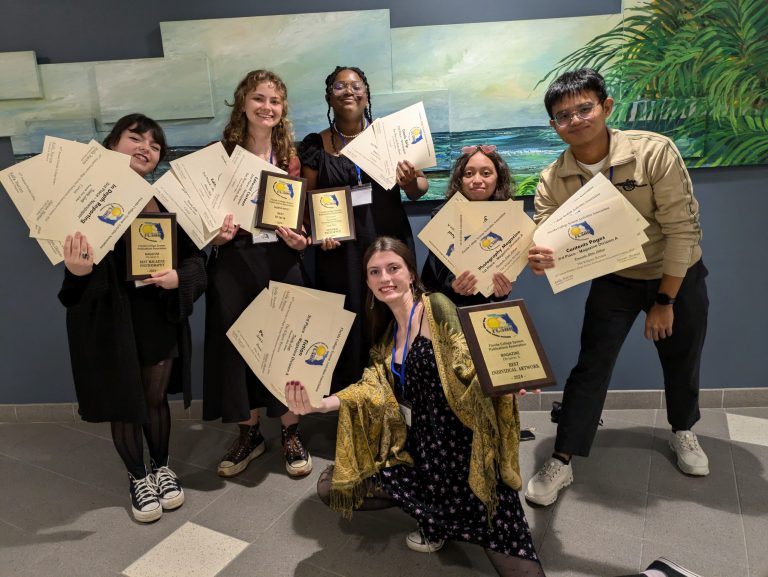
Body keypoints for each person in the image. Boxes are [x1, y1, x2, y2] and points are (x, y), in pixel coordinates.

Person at [285, 237, 544, 577]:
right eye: (375, 272)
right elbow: (370, 387)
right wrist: (320, 405)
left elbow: (469, 360)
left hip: (467, 460)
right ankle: (434, 519)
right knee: (332, 485)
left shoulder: (436, 307)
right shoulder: (387, 333)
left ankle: (438, 519)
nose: (385, 278)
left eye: (393, 268)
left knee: (521, 569)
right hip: (423, 457)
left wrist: (505, 380)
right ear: (367, 282)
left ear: (410, 274)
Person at [525, 68, 709, 507]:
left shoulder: (653, 152)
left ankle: (683, 430)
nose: (575, 120)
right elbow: (547, 238)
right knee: (591, 365)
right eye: (563, 115)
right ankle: (563, 457)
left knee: (682, 359)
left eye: (584, 108)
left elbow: (683, 230)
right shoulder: (552, 179)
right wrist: (541, 259)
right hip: (616, 279)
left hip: (676, 274)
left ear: (606, 107)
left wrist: (665, 299)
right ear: (554, 125)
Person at [58, 113, 207, 523]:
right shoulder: (84, 200)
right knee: (125, 402)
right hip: (110, 320)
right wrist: (78, 271)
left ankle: (161, 467)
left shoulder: (167, 201)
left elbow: (197, 260)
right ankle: (138, 476)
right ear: (111, 144)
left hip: (158, 315)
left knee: (155, 399)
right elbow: (73, 283)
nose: (146, 148)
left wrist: (180, 278)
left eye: (155, 145)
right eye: (136, 138)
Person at [203, 70, 313, 479]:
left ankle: (290, 432)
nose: (267, 107)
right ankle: (249, 434)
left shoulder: (290, 159)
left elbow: (301, 222)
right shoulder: (219, 155)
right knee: (237, 348)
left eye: (275, 101)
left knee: (286, 347)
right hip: (234, 260)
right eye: (259, 99)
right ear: (243, 103)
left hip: (281, 260)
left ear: (282, 109)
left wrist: (301, 241)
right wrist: (214, 236)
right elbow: (203, 217)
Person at [297, 66, 429, 391]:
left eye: (356, 86)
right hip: (339, 254)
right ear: (329, 97)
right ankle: (354, 406)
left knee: (395, 318)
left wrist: (410, 181)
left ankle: (400, 399)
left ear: (367, 95)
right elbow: (305, 204)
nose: (349, 91)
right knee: (348, 325)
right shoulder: (316, 145)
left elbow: (419, 189)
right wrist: (318, 234)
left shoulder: (390, 135)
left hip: (389, 244)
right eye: (339, 86)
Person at [421, 144, 515, 305]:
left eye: (486, 173)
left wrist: (501, 291)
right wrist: (453, 286)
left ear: (498, 178)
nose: (477, 180)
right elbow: (439, 276)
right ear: (460, 179)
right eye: (469, 173)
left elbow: (500, 278)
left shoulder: (507, 218)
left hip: (479, 308)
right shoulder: (441, 215)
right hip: (440, 304)